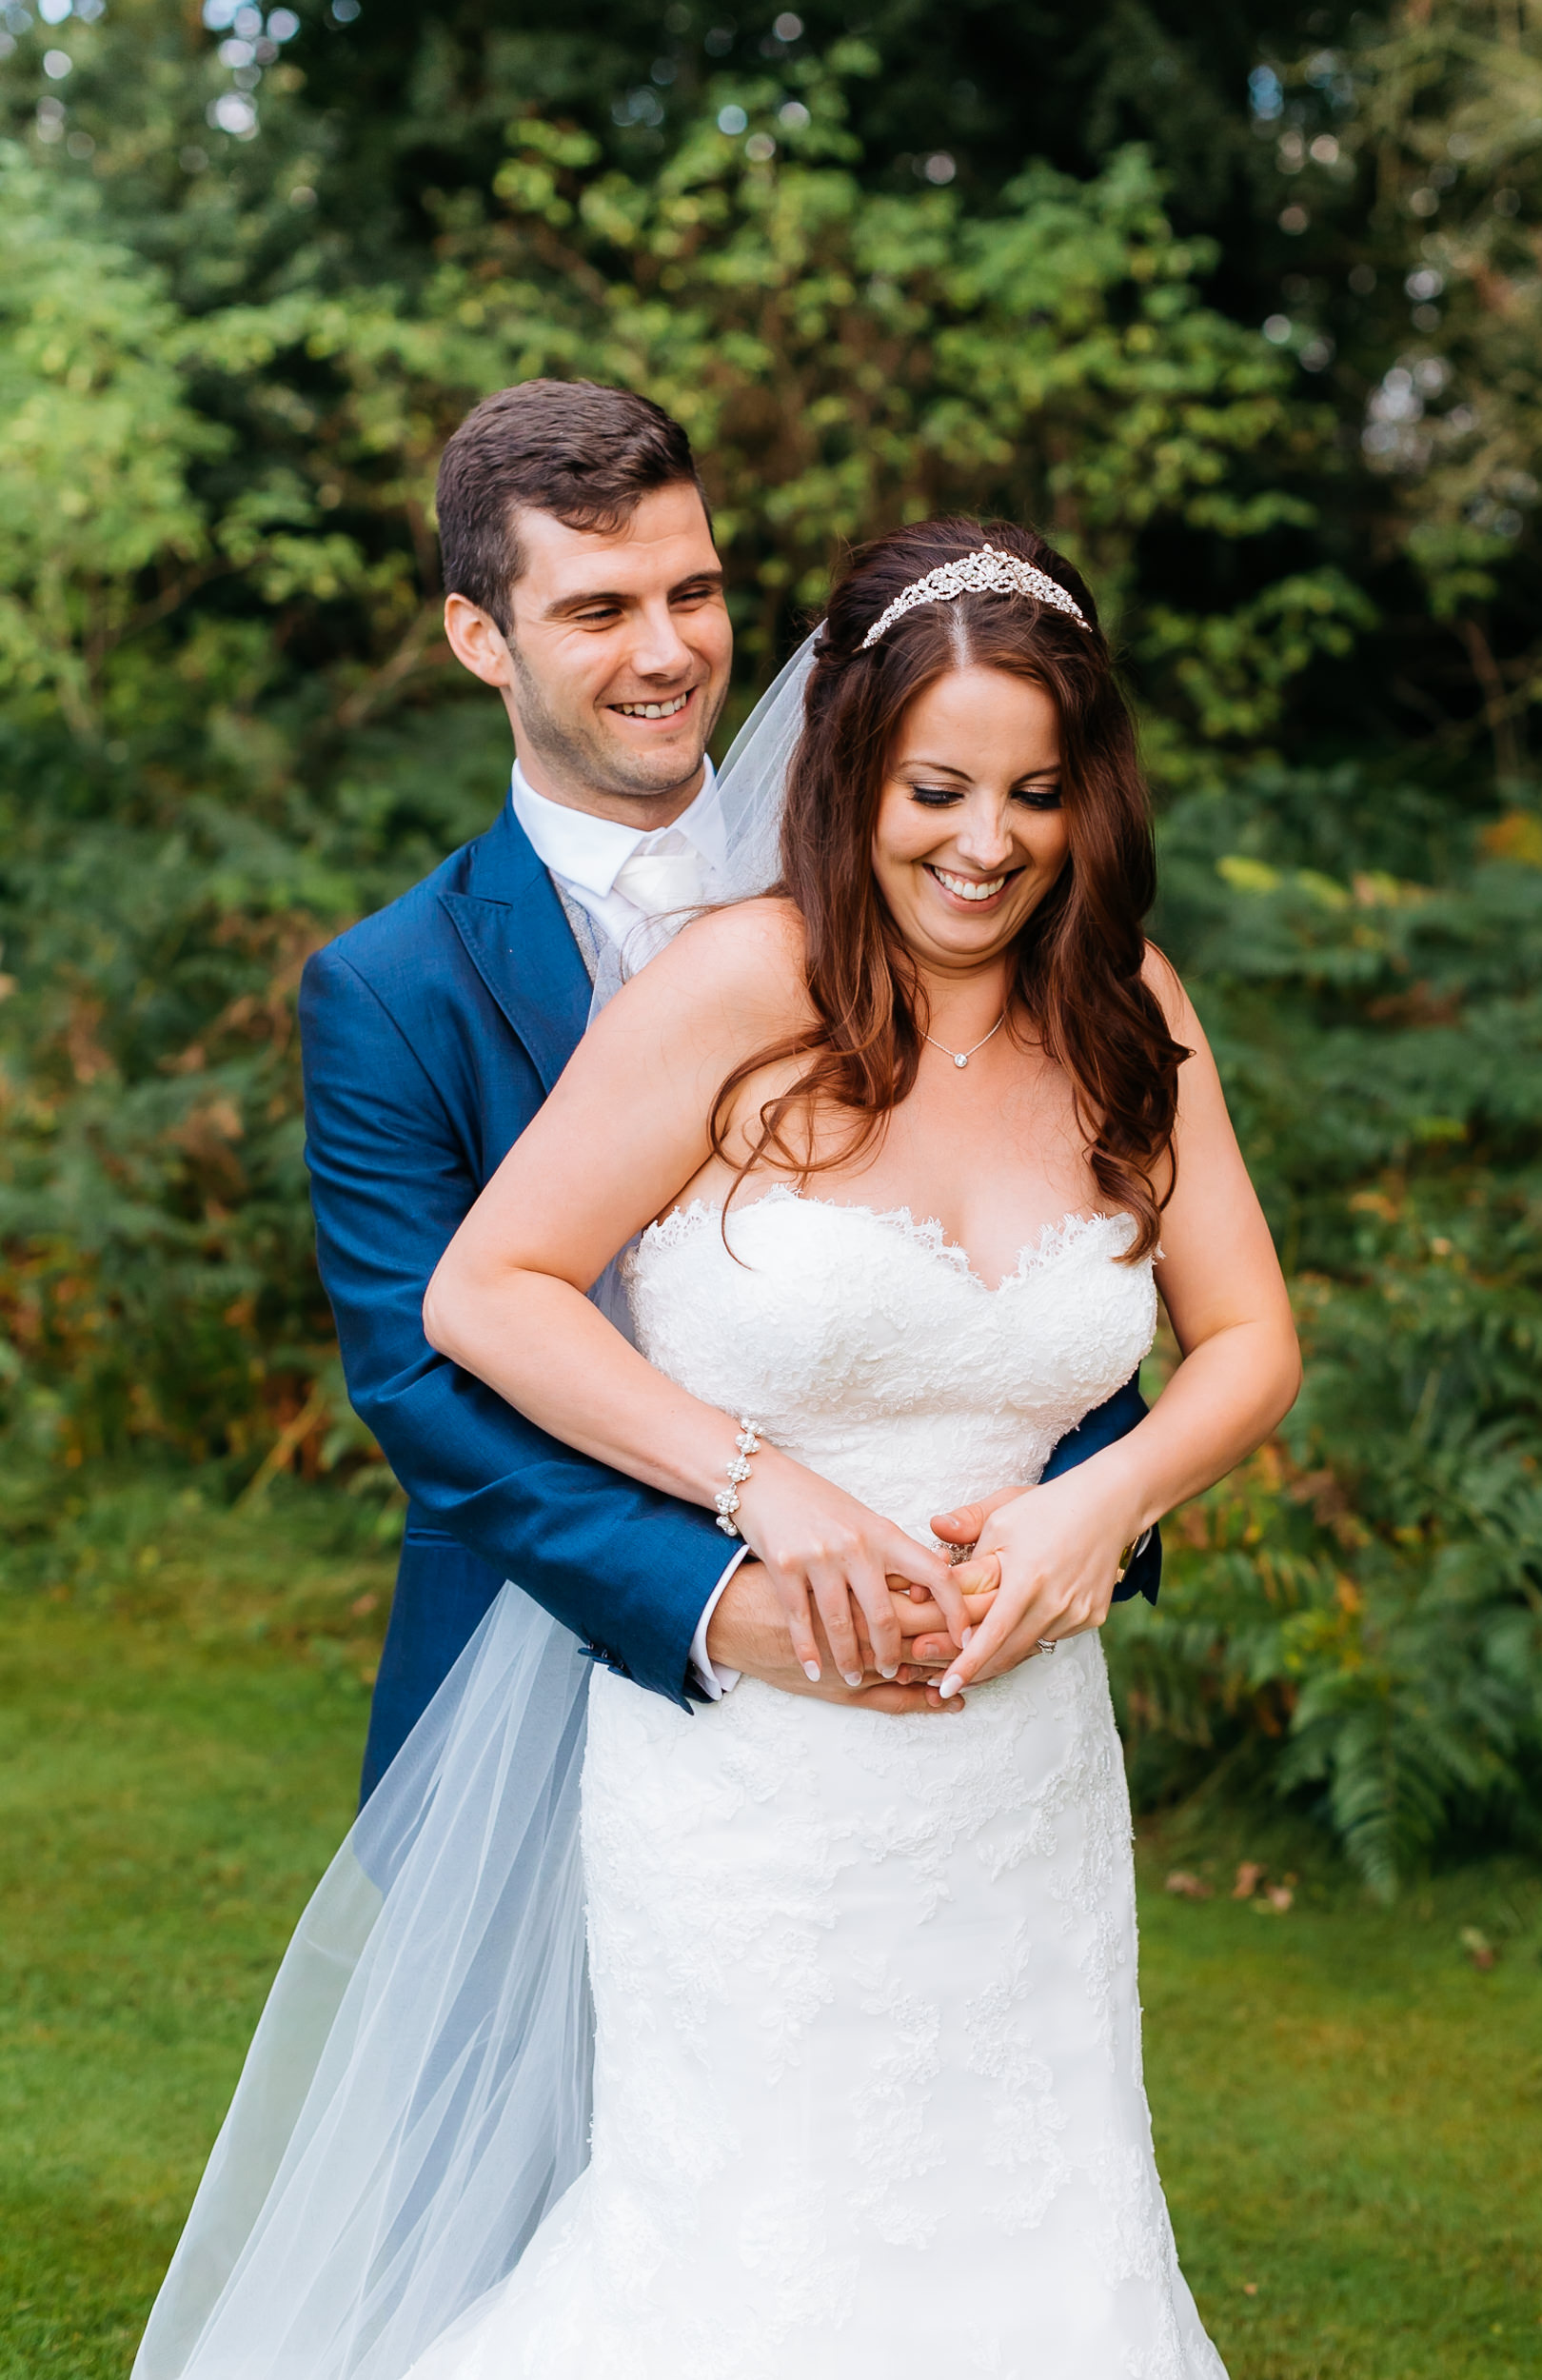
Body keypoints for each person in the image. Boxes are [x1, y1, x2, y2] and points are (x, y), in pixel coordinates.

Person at [133, 509, 1297, 2379]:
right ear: (852, 771)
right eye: (935, 786)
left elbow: (1248, 1337)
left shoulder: (1126, 1010)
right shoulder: (741, 984)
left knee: (1041, 2229)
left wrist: (1109, 1490)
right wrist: (763, 1492)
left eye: (1034, 791)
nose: (983, 842)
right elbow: (487, 1291)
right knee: (749, 2258)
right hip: (755, 1775)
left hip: (1019, 1769)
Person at [292, 380, 1157, 1804]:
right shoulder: (394, 988)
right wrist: (714, 1597)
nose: (667, 652)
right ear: (477, 637)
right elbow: (420, 1371)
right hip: (544, 1642)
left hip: (937, 1646)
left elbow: (1042, 1238)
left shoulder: (923, 868)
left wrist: (1086, 1505)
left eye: (691, 592)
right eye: (597, 611)